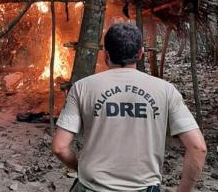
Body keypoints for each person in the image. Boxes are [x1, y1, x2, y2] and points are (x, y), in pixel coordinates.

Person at [53, 23, 207, 192]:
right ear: (141, 53)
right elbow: (198, 147)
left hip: (92, 186)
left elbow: (60, 147)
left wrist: (80, 168)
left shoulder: (82, 87)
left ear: (106, 54)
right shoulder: (166, 90)